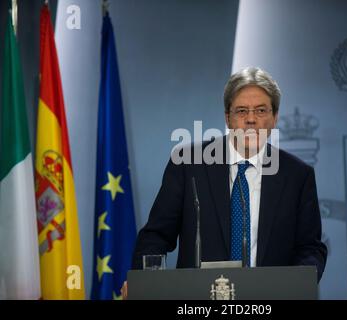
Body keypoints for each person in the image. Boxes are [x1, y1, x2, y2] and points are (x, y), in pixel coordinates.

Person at [121, 67, 327, 298]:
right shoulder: (188, 164)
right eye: (241, 111)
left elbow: (310, 247)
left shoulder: (297, 175)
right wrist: (143, 280)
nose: (251, 119)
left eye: (261, 110)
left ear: (274, 117)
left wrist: (296, 283)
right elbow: (156, 236)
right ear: (227, 118)